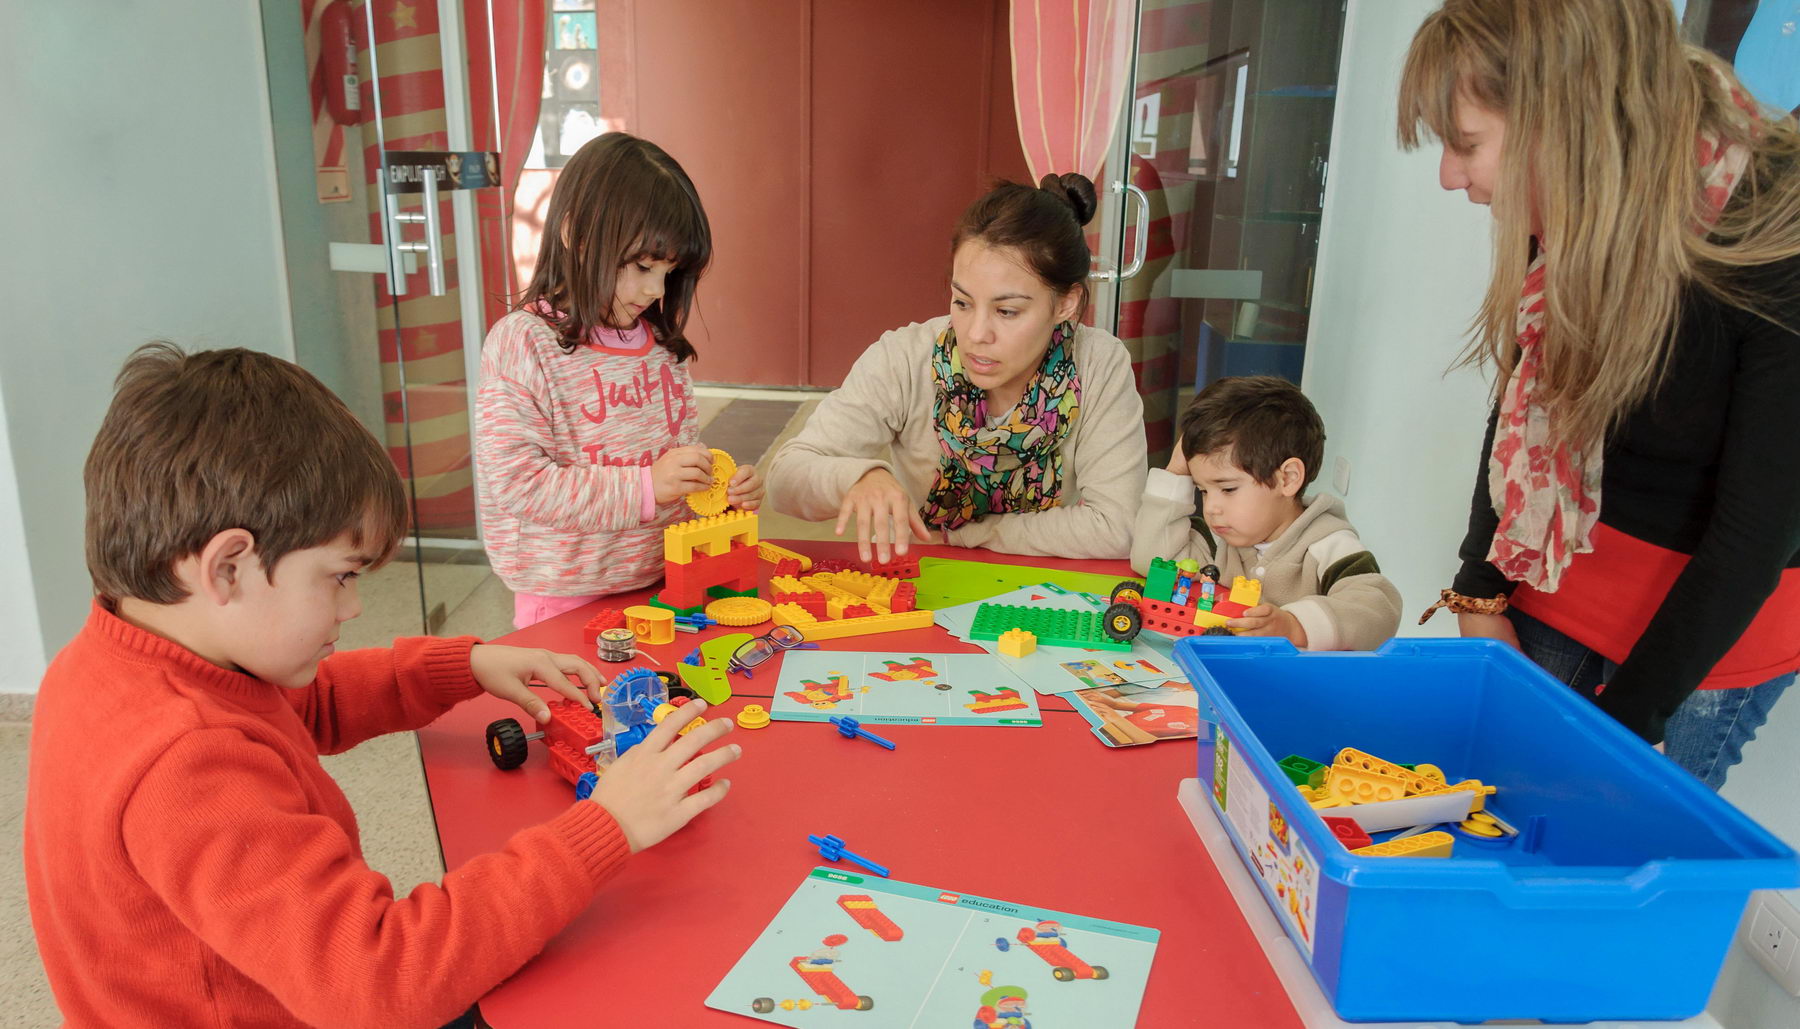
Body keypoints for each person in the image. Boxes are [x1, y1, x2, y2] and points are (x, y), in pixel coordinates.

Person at [24, 345, 740, 1027]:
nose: (353, 607)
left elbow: (306, 704)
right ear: (227, 567)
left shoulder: (113, 662)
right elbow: (384, 978)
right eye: (340, 576)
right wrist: (606, 827)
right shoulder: (187, 761)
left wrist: (464, 664)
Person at [1401, 0, 1800, 788]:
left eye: (1467, 145)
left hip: (1708, 630)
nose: (1450, 176)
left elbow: (1758, 531)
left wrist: (1628, 725)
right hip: (1560, 577)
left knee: (1605, 852)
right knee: (1493, 808)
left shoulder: (1770, 222)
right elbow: (1521, 396)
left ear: (1565, 118)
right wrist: (1478, 587)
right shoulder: (1574, 191)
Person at [766, 175, 1147, 562]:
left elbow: (1117, 526)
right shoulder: (905, 359)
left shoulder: (1097, 365)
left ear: (1066, 304)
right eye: (962, 302)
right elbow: (784, 479)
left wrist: (973, 535)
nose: (977, 334)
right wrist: (856, 477)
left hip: (1053, 594)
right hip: (926, 585)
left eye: (1007, 311)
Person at [475, 132, 762, 629]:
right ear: (575, 234)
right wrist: (647, 486)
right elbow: (517, 484)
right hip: (564, 599)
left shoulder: (660, 349)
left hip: (666, 586)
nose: (655, 290)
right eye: (642, 266)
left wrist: (716, 488)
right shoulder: (523, 343)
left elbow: (674, 465)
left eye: (669, 272)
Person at [1131, 376, 1401, 651]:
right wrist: (1176, 471)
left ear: (1287, 479)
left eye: (1228, 489)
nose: (1211, 507)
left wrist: (1295, 626)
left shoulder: (1328, 544)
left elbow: (1378, 611)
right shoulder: (1222, 541)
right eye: (1202, 490)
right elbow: (1153, 561)